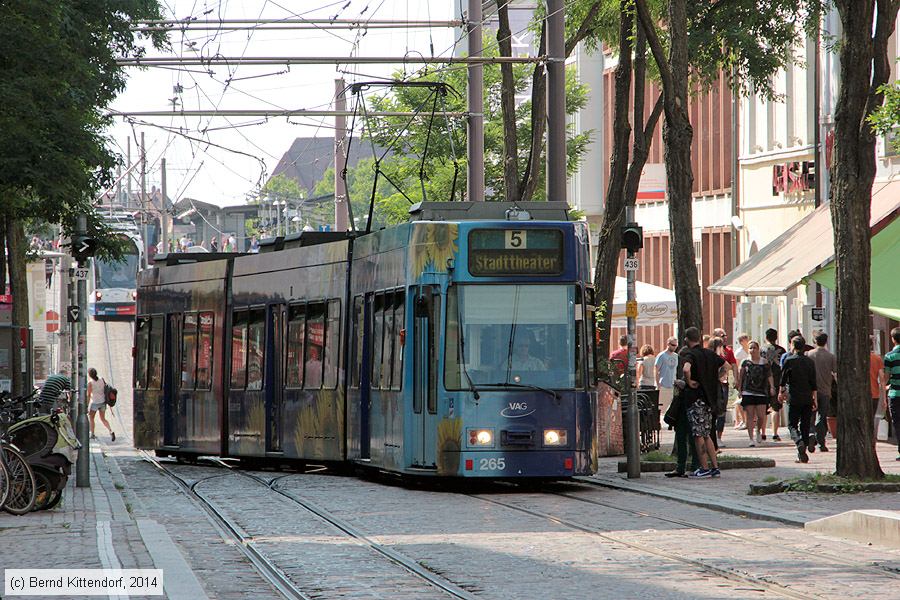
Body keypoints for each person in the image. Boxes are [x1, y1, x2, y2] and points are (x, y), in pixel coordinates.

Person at [682, 327, 726, 478]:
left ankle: (704, 467)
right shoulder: (709, 353)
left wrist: (689, 381)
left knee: (698, 434)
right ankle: (715, 467)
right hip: (709, 399)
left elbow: (686, 369)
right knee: (707, 434)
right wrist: (715, 378)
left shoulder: (690, 354)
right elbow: (726, 365)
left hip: (696, 398)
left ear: (686, 339)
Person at [664, 342, 700, 478]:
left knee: (691, 437)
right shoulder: (683, 368)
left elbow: (695, 384)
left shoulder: (693, 368)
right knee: (681, 436)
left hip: (690, 405)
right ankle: (681, 466)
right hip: (682, 407)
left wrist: (684, 384)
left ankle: (693, 465)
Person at [779, 336, 817, 463]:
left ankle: (799, 441)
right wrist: (814, 399)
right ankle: (803, 450)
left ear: (793, 346)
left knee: (792, 425)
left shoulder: (789, 361)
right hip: (807, 397)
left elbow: (783, 380)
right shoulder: (810, 362)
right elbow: (814, 383)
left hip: (794, 397)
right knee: (805, 424)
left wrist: (781, 393)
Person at [736, 340, 774, 447]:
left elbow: (769, 375)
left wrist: (772, 387)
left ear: (758, 349)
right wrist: (739, 389)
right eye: (750, 348)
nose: (752, 350)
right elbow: (741, 376)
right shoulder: (745, 362)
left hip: (761, 391)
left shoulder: (764, 362)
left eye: (754, 348)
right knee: (750, 416)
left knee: (761, 416)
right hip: (748, 391)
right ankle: (751, 439)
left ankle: (758, 430)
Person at [807, 331, 836, 451]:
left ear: (815, 341)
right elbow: (835, 373)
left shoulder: (809, 354)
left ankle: (811, 434)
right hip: (825, 390)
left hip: (810, 390)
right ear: (826, 342)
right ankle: (821, 442)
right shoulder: (831, 356)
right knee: (822, 416)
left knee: (810, 415)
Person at [714, 327, 742, 430]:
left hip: (723, 382)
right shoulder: (709, 350)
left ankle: (719, 433)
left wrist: (735, 379)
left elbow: (733, 365)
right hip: (711, 383)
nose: (725, 338)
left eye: (725, 335)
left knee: (722, 407)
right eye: (722, 336)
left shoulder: (728, 351)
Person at [762, 328, 787, 441]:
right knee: (776, 408)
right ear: (776, 337)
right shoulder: (782, 350)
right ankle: (775, 433)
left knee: (763, 409)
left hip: (763, 383)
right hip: (777, 381)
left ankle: (762, 433)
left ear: (766, 337)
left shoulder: (762, 349)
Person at [706, 337, 729, 449]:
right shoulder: (715, 357)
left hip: (708, 387)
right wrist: (719, 376)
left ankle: (712, 441)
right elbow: (727, 366)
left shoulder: (706, 355)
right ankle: (716, 440)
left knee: (711, 414)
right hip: (716, 387)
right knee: (719, 412)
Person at [883, 327, 900, 461]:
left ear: (893, 339)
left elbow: (886, 377)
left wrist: (885, 387)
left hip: (895, 394)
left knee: (897, 423)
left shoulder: (889, 356)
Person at [87, 367, 115, 442]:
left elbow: (88, 395)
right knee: (103, 419)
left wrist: (87, 405)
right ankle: (111, 431)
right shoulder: (102, 379)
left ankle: (92, 434)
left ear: (89, 375)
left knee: (91, 418)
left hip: (95, 402)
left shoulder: (90, 383)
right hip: (103, 402)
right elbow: (106, 389)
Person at [655, 337, 679, 417]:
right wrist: (658, 384)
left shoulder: (676, 356)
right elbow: (656, 370)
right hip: (663, 385)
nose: (674, 347)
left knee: (672, 408)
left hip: (673, 385)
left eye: (676, 345)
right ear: (668, 344)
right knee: (662, 408)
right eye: (673, 345)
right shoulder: (662, 355)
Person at [870, 337, 886, 439]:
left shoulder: (856, 359)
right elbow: (882, 378)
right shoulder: (877, 359)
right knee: (872, 418)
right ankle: (872, 441)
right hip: (874, 393)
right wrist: (884, 398)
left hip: (859, 394)